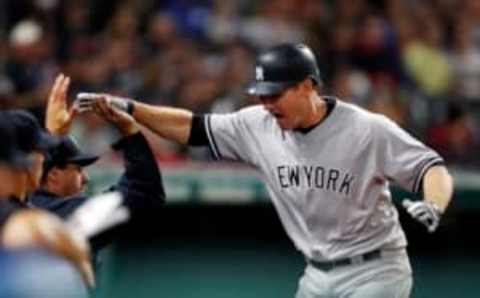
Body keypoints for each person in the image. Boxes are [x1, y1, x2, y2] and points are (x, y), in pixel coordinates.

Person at [78, 43, 454, 298]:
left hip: (376, 270)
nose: (267, 103)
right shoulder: (257, 124)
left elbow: (430, 168)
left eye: (275, 94)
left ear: (308, 86)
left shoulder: (366, 129)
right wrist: (130, 107)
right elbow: (190, 127)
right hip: (317, 274)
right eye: (262, 95)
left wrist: (434, 204)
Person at [29, 74, 165, 263]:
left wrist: (54, 137)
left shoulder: (16, 208)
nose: (85, 178)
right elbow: (143, 192)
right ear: (53, 175)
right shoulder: (65, 216)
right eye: (78, 169)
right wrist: (129, 131)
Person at [0, 111, 93, 290]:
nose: (44, 158)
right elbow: (19, 229)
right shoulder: (24, 221)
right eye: (40, 151)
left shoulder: (25, 204)